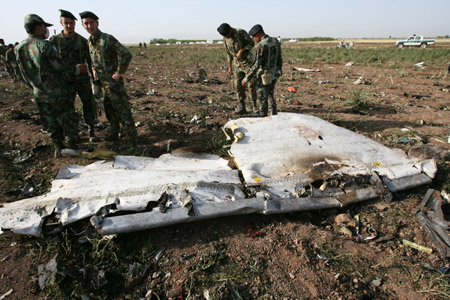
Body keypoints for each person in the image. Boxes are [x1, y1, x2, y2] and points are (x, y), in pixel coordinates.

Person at [15, 14, 87, 155]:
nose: (45, 30)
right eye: (44, 27)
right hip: (57, 91)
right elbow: (60, 67)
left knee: (49, 120)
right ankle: (72, 146)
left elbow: (22, 74)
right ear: (38, 27)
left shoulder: (19, 48)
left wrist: (36, 87)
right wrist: (78, 69)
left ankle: (58, 147)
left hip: (39, 92)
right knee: (67, 117)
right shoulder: (44, 46)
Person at [80, 11, 137, 144]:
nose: (89, 26)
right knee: (109, 109)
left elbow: (126, 54)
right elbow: (93, 60)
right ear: (83, 25)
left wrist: (119, 72)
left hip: (113, 82)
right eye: (86, 23)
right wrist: (94, 71)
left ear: (97, 23)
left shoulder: (107, 39)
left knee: (122, 108)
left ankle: (131, 136)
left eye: (91, 22)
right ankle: (114, 131)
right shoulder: (89, 41)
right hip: (101, 82)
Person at [50, 9, 98, 141]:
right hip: (64, 81)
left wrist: (95, 82)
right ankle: (72, 134)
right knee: (67, 108)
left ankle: (91, 130)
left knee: (88, 104)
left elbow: (90, 62)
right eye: (66, 23)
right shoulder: (54, 42)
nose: (69, 26)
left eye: (71, 23)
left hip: (81, 80)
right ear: (61, 23)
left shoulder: (82, 41)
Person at [241, 24, 282, 117]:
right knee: (270, 93)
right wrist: (279, 70)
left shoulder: (260, 45)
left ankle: (263, 116)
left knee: (262, 97)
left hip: (264, 75)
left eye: (253, 37)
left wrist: (246, 78)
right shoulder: (275, 41)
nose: (253, 39)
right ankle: (274, 113)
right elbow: (280, 58)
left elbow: (256, 65)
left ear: (258, 34)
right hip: (274, 73)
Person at [217, 23, 257, 114]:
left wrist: (242, 50)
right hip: (237, 64)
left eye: (227, 35)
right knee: (238, 85)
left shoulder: (240, 33)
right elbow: (228, 53)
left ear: (230, 30)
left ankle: (255, 106)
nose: (226, 37)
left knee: (251, 84)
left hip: (247, 63)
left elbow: (252, 43)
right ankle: (242, 107)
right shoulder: (225, 39)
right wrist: (230, 67)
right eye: (224, 36)